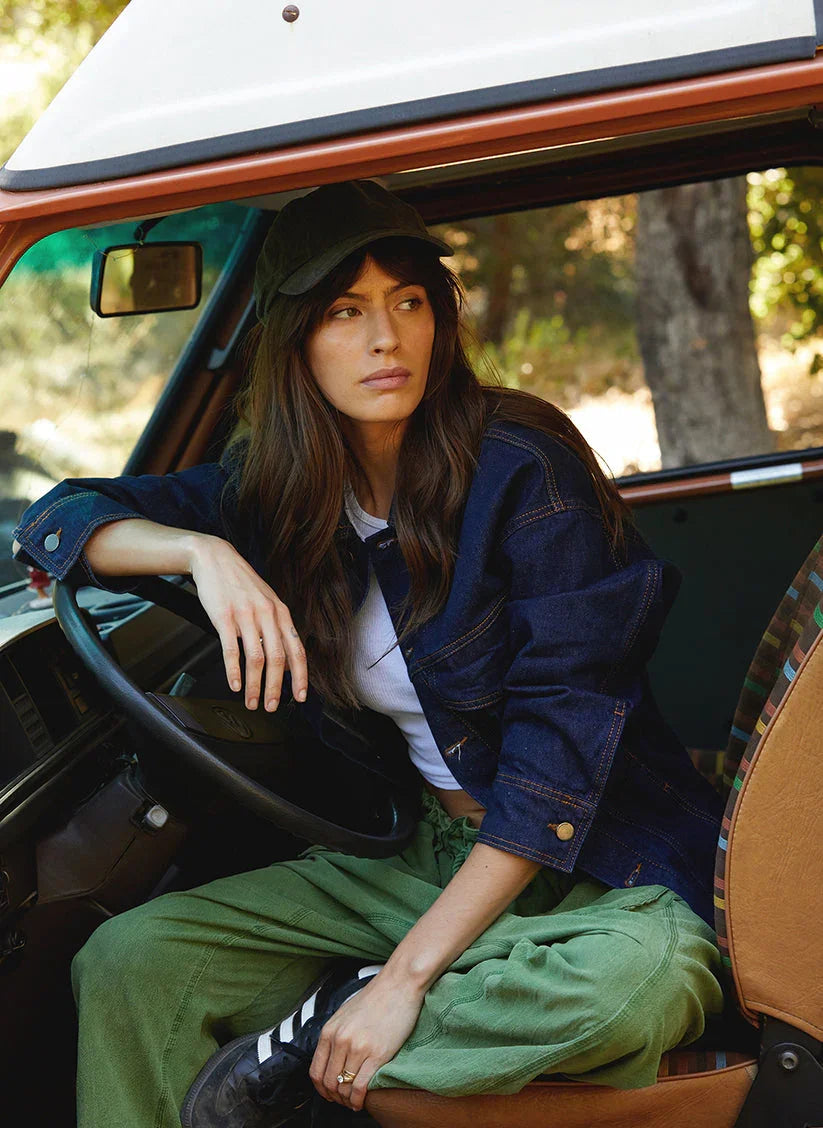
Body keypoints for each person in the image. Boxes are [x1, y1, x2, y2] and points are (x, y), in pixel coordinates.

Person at [11, 180, 725, 1128]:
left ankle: (320, 1034)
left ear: (438, 317)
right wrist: (199, 551)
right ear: (295, 340)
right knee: (130, 961)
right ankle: (374, 1000)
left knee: (640, 988)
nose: (386, 339)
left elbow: (554, 769)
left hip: (595, 857)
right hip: (413, 855)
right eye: (346, 312)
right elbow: (60, 520)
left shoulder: (525, 466)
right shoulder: (273, 488)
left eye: (408, 302)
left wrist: (402, 982)